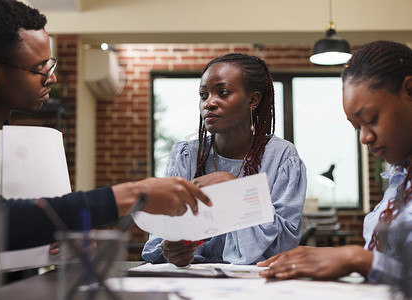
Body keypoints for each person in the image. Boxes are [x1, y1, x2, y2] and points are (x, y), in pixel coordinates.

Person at [0, 0, 212, 252]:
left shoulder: (3, 134)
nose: (53, 78)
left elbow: (20, 225)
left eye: (50, 64)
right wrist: (134, 194)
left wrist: (64, 232)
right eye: (39, 69)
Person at [257, 40, 412, 295]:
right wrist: (337, 257)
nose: (364, 138)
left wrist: (358, 259)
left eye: (371, 119)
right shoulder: (400, 178)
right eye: (357, 128)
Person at [142, 53, 307, 266]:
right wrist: (170, 250)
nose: (209, 103)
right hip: (193, 280)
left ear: (253, 100)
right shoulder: (187, 155)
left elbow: (284, 243)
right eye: (203, 95)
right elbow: (161, 234)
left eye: (223, 92)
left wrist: (235, 190)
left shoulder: (282, 157)